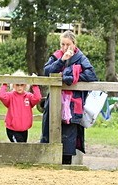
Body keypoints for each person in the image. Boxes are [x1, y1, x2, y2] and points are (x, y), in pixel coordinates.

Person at [41, 31, 97, 165]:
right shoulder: (56, 56)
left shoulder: (81, 57)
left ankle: (66, 164)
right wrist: (62, 61)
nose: (65, 47)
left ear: (74, 44)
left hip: (73, 104)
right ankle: (50, 162)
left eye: (68, 44)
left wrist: (71, 77)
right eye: (63, 44)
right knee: (50, 129)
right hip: (55, 101)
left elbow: (91, 75)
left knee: (69, 134)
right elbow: (47, 72)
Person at [0, 73, 41, 143]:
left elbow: (37, 98)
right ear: (13, 85)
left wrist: (35, 84)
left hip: (24, 129)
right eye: (17, 85)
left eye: (22, 85)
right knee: (19, 147)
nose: (19, 87)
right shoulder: (10, 96)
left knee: (22, 149)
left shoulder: (28, 96)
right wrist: (4, 83)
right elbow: (1, 96)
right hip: (12, 129)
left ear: (25, 85)